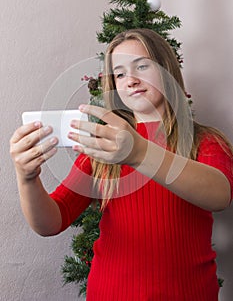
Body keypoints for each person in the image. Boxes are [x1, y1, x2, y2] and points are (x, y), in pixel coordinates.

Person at [10, 29, 233, 300]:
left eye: (142, 66)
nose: (131, 80)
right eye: (120, 73)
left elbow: (219, 195)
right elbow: (50, 222)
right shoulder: (101, 149)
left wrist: (138, 153)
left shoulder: (205, 140)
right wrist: (27, 178)